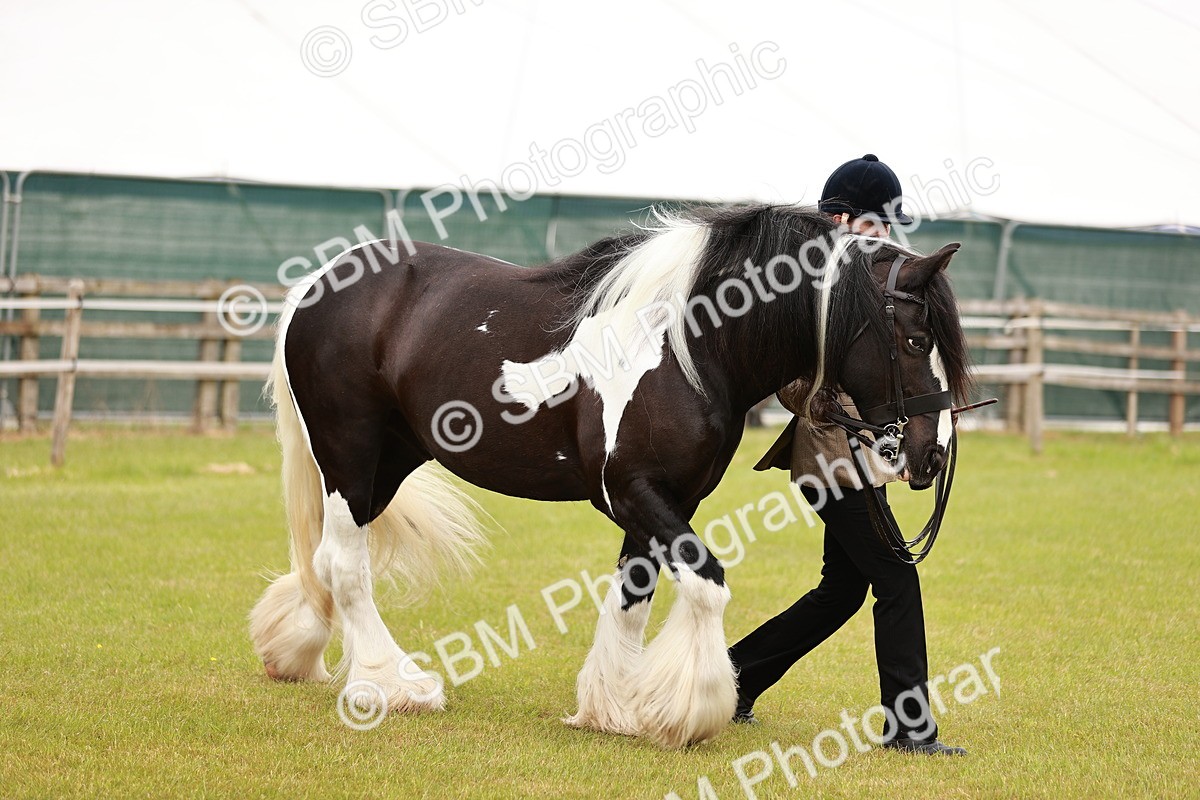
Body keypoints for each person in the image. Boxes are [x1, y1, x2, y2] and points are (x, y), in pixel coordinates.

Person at [728, 154, 966, 756]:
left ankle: (731, 680)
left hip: (862, 461)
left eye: (888, 224)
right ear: (837, 217)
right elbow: (787, 377)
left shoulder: (870, 282)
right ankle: (909, 730)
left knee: (842, 591)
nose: (883, 235)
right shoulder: (808, 283)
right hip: (830, 461)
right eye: (872, 223)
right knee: (896, 580)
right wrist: (820, 396)